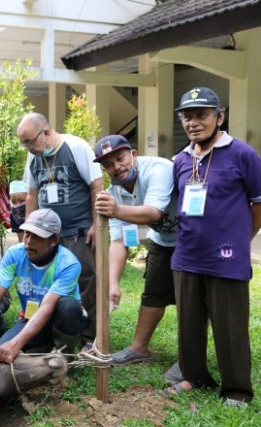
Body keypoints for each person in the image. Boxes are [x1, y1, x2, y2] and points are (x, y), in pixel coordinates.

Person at [167, 87, 261, 407]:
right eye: (188, 116)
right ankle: (194, 377)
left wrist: (239, 238)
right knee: (188, 324)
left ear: (219, 117)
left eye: (202, 115)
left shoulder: (243, 154)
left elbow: (258, 204)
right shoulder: (180, 159)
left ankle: (237, 390)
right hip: (187, 255)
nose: (194, 122)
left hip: (227, 257)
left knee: (230, 326)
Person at [92, 135, 178, 366]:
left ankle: (190, 358)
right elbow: (119, 241)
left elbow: (153, 213)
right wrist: (113, 283)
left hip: (191, 240)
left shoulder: (158, 170)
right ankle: (139, 349)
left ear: (133, 154)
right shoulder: (115, 192)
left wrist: (116, 210)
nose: (116, 168)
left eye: (120, 159)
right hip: (161, 240)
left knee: (192, 299)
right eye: (108, 164)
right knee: (153, 292)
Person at [18, 112, 102, 348]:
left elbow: (96, 186)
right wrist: (30, 232)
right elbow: (31, 194)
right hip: (48, 237)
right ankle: (55, 331)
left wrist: (96, 224)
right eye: (23, 143)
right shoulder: (33, 157)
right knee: (48, 282)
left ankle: (88, 338)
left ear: (45, 132)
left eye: (30, 142)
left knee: (85, 283)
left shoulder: (76, 147)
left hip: (78, 231)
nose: (28, 148)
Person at [0, 209, 87, 363]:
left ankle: (66, 355)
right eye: (27, 234)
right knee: (1, 354)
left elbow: (47, 307)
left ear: (54, 240)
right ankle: (43, 347)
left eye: (37, 237)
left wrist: (17, 343)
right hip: (31, 318)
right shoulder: (14, 254)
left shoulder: (68, 264)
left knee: (69, 306)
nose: (28, 241)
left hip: (61, 320)